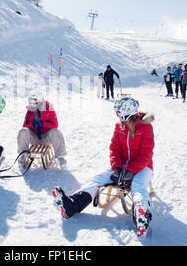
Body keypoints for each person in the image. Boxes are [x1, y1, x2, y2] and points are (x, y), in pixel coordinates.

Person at [52, 97, 155, 237]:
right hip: (122, 166)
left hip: (143, 167)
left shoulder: (145, 127)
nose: (117, 116)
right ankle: (72, 204)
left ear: (127, 113)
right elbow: (114, 149)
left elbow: (146, 154)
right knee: (99, 178)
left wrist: (131, 171)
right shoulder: (119, 126)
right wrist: (117, 167)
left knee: (137, 184)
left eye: (119, 113)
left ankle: (141, 216)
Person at [17, 92, 67, 165]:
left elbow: (55, 125)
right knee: (23, 131)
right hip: (34, 138)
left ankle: (60, 157)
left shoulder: (49, 109)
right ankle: (23, 155)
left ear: (39, 102)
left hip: (46, 137)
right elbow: (25, 126)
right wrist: (32, 125)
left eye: (33, 102)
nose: (32, 105)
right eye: (30, 102)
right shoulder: (30, 110)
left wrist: (43, 124)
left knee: (56, 132)